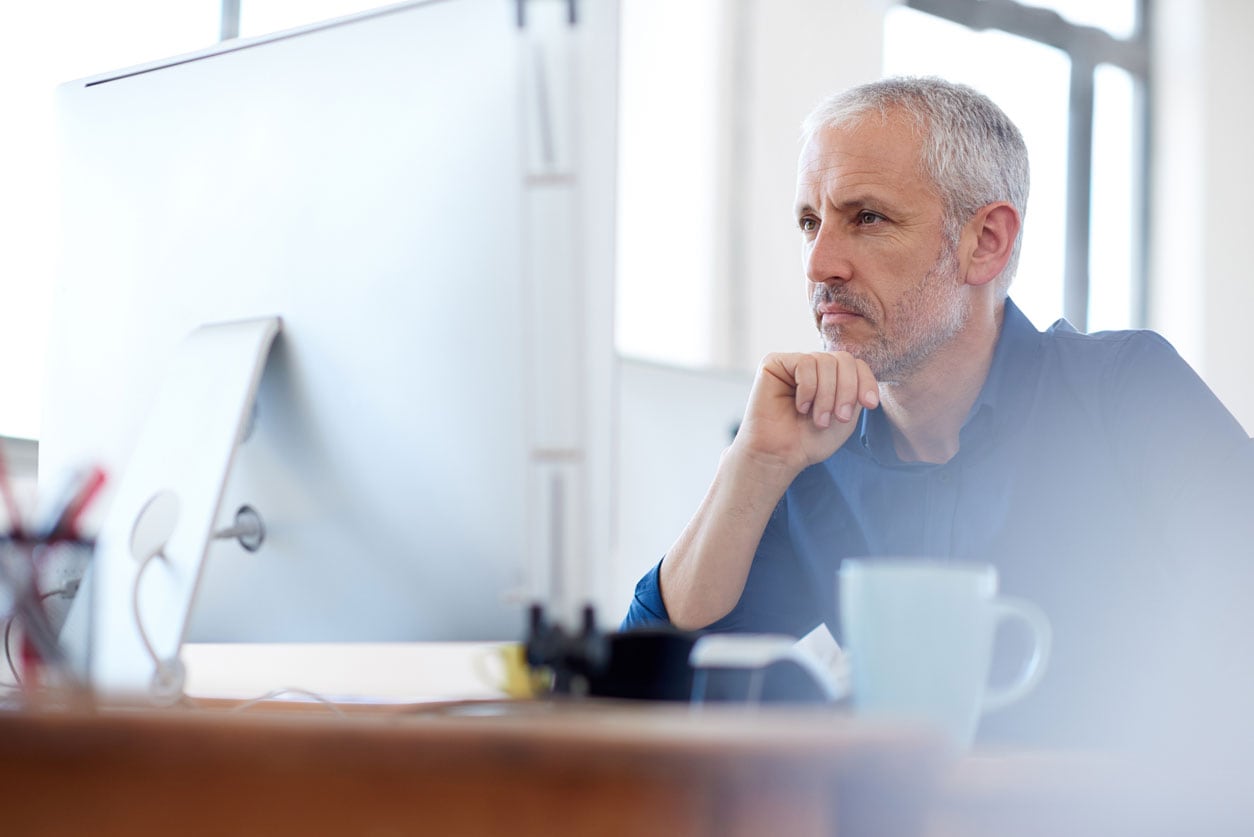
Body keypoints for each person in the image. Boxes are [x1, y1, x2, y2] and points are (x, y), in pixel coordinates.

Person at [621, 76, 1254, 748]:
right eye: (810, 220)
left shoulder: (1129, 397)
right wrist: (752, 465)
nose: (819, 261)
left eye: (866, 217)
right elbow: (647, 683)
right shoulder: (813, 455)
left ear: (986, 242)